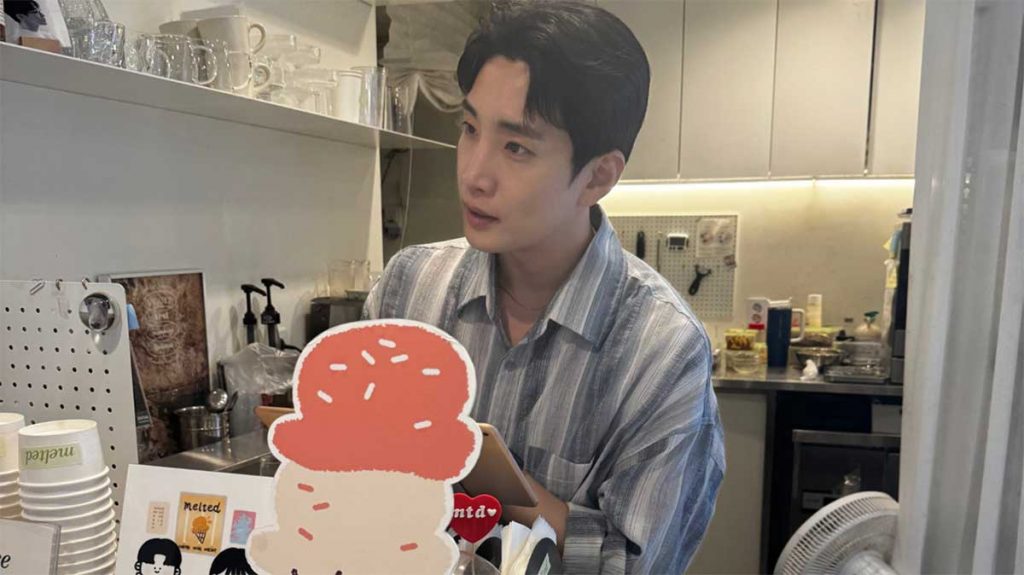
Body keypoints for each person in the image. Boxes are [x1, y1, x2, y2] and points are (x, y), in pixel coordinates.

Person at [364, 2, 725, 573]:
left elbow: (637, 563)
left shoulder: (662, 350)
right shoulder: (407, 289)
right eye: (470, 129)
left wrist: (477, 470)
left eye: (516, 148)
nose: (473, 174)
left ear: (598, 176)